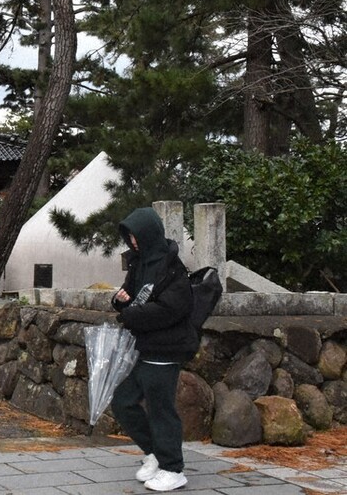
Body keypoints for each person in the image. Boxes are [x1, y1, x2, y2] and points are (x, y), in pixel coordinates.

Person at [110, 207, 199, 492]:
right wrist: (120, 302)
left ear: (149, 234)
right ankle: (154, 455)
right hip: (145, 348)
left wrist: (130, 315)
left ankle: (173, 469)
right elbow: (130, 299)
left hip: (167, 348)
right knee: (123, 401)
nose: (132, 242)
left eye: (136, 236)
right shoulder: (139, 264)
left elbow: (171, 309)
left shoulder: (173, 268)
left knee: (162, 410)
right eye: (129, 237)